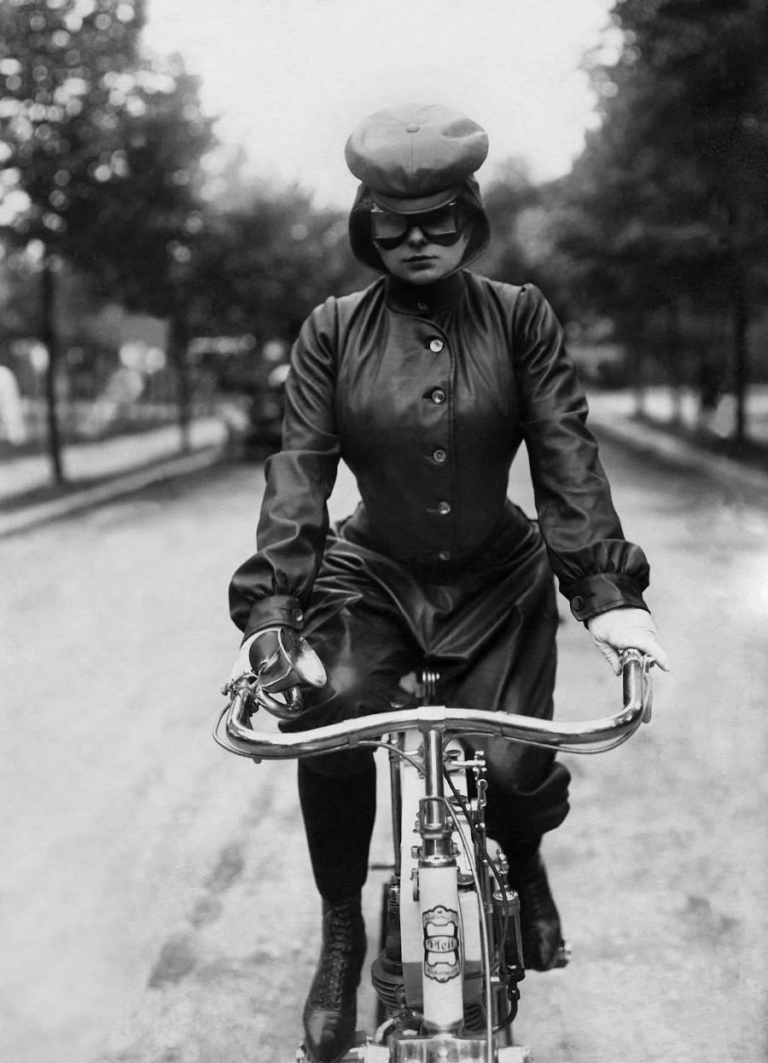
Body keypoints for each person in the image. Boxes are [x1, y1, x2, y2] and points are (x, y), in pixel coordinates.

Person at [228, 103, 669, 1063]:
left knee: (515, 765)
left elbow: (566, 456)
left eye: (441, 222)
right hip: (370, 578)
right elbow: (297, 469)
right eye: (396, 226)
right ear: (367, 226)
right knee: (330, 721)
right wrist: (273, 614)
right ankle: (342, 933)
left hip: (499, 580)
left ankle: (525, 858)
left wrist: (609, 595)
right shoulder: (331, 330)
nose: (419, 242)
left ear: (470, 219)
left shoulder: (520, 316)